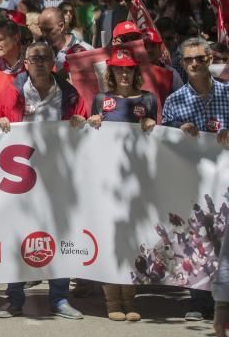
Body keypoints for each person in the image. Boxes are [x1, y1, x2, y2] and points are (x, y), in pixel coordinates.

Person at [0, 41, 85, 320]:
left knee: (60, 236)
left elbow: (85, 129)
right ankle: (14, 299)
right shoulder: (11, 93)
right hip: (20, 181)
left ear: (53, 62)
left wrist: (83, 122)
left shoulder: (69, 95)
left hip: (59, 178)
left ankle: (59, 298)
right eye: (34, 58)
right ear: (26, 63)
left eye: (45, 57)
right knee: (16, 236)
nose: (40, 62)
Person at [69, 47, 155, 322]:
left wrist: (153, 124)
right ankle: (111, 299)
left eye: (128, 68)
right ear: (111, 73)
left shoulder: (149, 100)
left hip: (136, 181)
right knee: (108, 239)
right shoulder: (101, 99)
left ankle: (130, 298)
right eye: (118, 69)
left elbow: (161, 140)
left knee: (132, 240)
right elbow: (91, 138)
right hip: (106, 182)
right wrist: (92, 122)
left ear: (134, 71)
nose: (123, 73)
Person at [162, 38, 229, 322]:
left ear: (209, 58)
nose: (194, 64)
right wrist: (178, 129)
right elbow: (163, 144)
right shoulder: (174, 101)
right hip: (193, 185)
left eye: (199, 58)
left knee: (225, 242)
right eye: (188, 60)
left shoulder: (228, 93)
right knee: (196, 240)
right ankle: (199, 302)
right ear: (182, 62)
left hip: (225, 183)